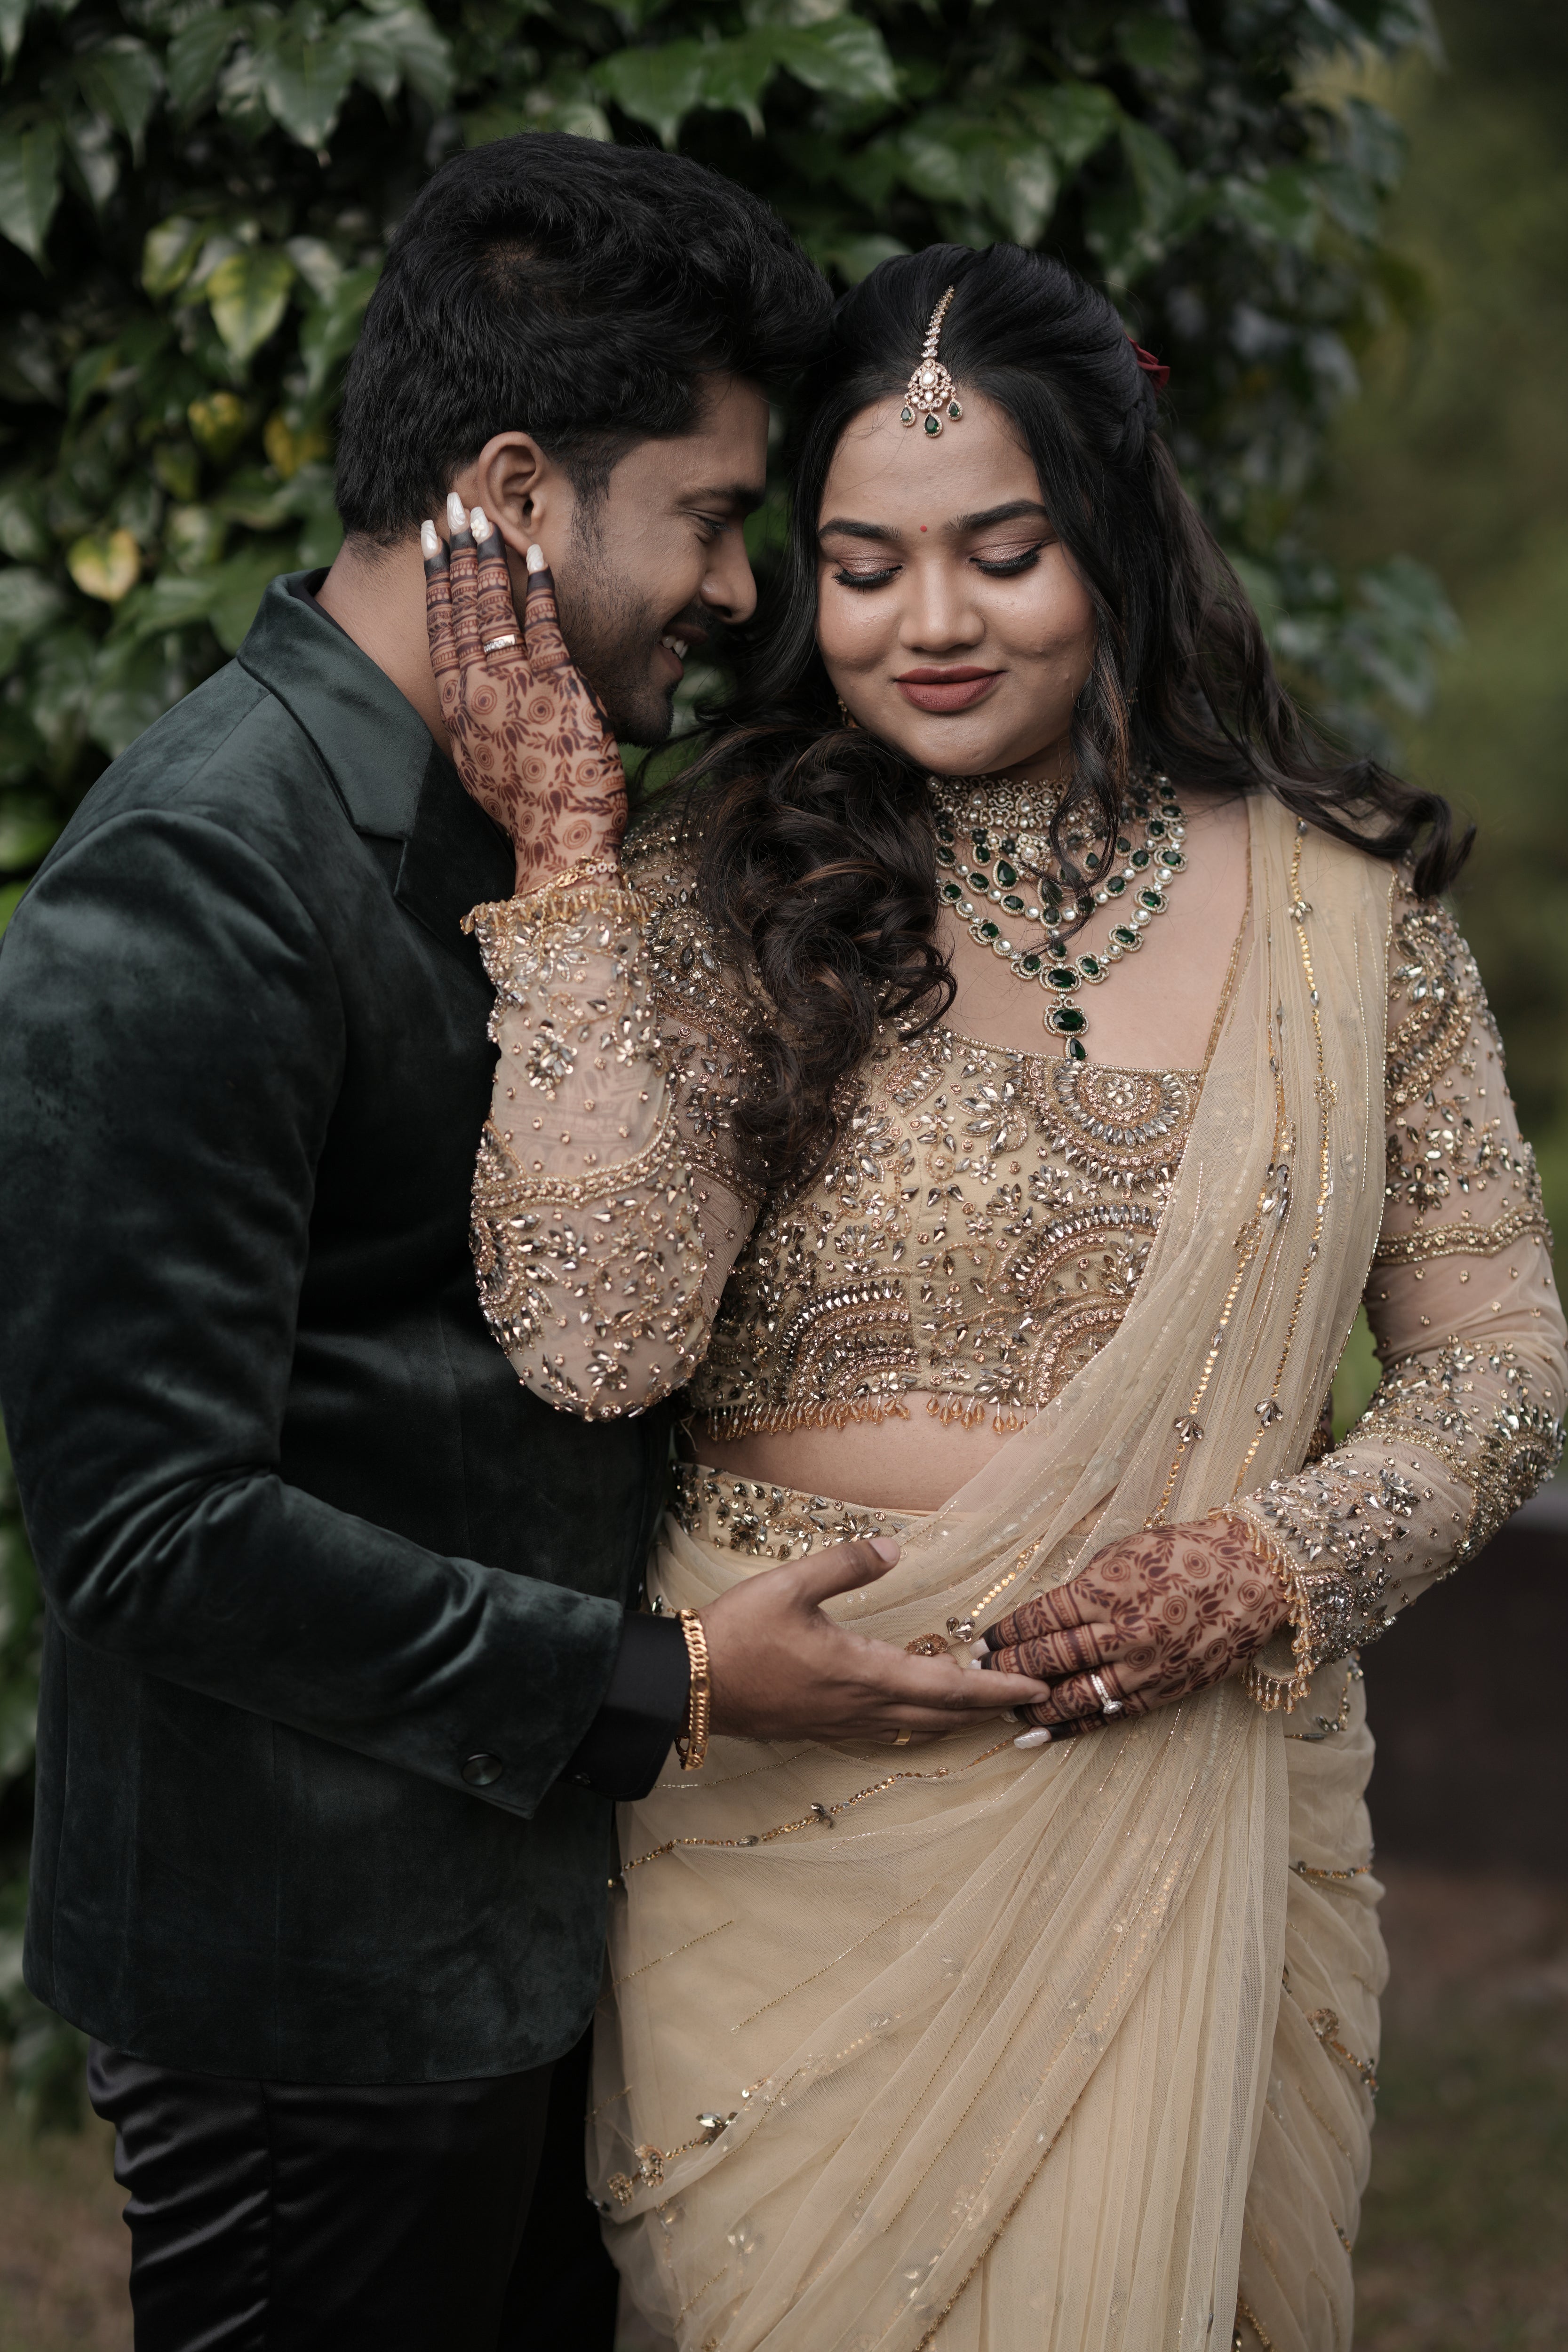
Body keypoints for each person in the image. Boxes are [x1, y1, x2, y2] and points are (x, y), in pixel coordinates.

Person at [430, 242, 1566, 2352]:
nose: (929, 623)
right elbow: (593, 1334)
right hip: (792, 1823)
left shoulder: (1346, 918)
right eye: (862, 566)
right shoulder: (721, 882)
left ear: (1113, 534)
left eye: (1000, 551)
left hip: (1187, 1794)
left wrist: (1264, 1558)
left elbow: (1499, 1359)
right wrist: (572, 871)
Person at [0, 146, 1043, 2352]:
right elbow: (149, 1527)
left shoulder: (538, 808)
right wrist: (657, 1687)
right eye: (713, 511)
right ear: (512, 487)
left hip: (559, 1945)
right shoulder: (195, 875)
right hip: (318, 1992)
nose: (747, 587)